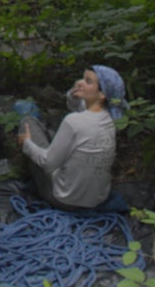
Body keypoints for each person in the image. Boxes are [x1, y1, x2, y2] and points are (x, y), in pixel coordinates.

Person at [18, 65, 128, 210]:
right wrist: (75, 93)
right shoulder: (112, 118)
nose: (80, 82)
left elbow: (47, 163)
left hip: (64, 199)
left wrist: (26, 143)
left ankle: (25, 172)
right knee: (59, 138)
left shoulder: (73, 121)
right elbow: (79, 106)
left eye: (88, 81)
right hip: (99, 198)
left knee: (28, 122)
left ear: (102, 94)